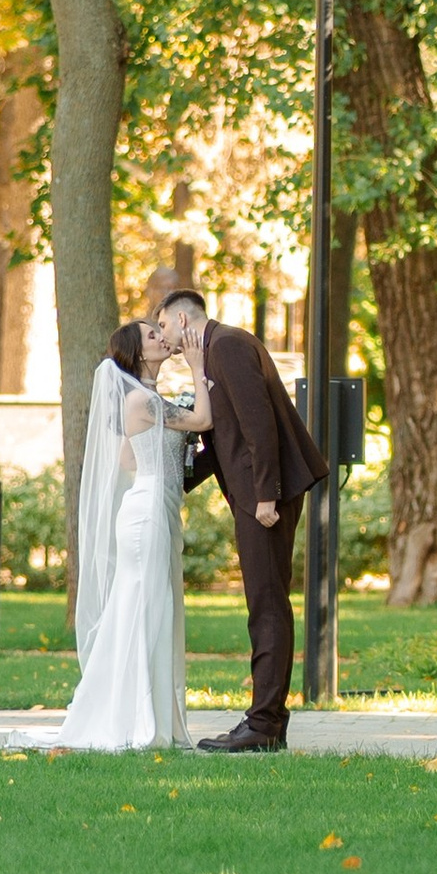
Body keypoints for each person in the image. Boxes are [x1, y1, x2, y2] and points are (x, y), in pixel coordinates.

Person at [136, 273, 326, 753]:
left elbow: (259, 421)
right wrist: (175, 481)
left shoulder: (229, 346)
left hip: (267, 496)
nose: (166, 341)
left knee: (267, 605)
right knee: (264, 603)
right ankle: (268, 721)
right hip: (256, 492)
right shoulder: (214, 352)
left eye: (163, 327)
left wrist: (266, 494)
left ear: (182, 319)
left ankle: (263, 724)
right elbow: (222, 437)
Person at [57, 321, 188, 750]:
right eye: (152, 336)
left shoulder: (143, 401)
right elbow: (203, 420)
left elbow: (129, 456)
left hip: (145, 505)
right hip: (146, 511)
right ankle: (136, 719)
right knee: (145, 606)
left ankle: (136, 712)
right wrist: (199, 364)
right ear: (137, 352)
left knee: (142, 604)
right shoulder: (143, 399)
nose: (160, 338)